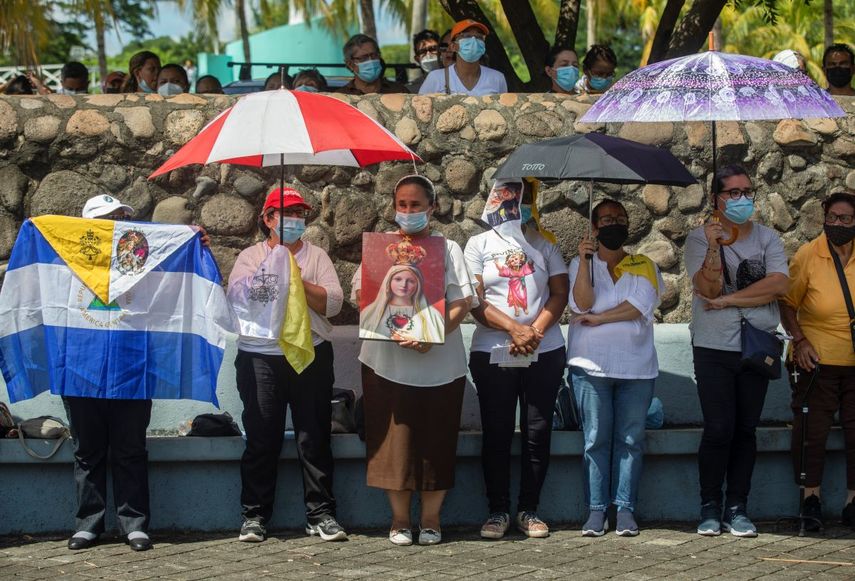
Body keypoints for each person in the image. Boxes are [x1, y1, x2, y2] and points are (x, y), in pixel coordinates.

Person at [352, 175, 477, 546]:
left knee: (437, 440)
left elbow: (462, 301)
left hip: (440, 365)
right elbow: (362, 293)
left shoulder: (448, 248)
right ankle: (400, 519)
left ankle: (432, 519)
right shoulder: (380, 248)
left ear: (431, 208)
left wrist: (431, 335)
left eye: (416, 205)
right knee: (393, 443)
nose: (408, 211)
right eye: (402, 205)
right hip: (385, 364)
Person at [227, 187, 347, 544]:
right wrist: (274, 271)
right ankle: (254, 516)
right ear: (268, 219)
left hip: (310, 354)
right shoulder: (250, 256)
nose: (295, 219)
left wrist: (296, 277)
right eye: (286, 212)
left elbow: (333, 304)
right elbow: (239, 300)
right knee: (262, 437)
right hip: (260, 358)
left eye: (299, 213)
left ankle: (321, 514)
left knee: (314, 436)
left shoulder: (317, 256)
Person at [686, 164, 789, 538]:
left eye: (747, 191)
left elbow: (777, 285)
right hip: (713, 346)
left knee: (746, 429)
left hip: (757, 345)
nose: (742, 198)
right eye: (733, 193)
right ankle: (710, 505)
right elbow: (707, 289)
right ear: (717, 199)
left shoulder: (767, 238)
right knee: (719, 428)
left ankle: (737, 507)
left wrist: (731, 301)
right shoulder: (699, 240)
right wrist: (714, 246)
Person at [465, 179, 569, 540]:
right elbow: (475, 300)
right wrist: (513, 329)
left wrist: (534, 331)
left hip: (545, 350)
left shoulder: (545, 244)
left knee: (537, 432)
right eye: (512, 197)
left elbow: (559, 292)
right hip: (492, 351)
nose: (520, 205)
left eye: (527, 199)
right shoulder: (478, 244)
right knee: (496, 431)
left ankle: (529, 509)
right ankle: (497, 510)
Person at [568, 199, 663, 537]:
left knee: (630, 440)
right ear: (594, 228)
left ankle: (625, 508)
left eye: (620, 218)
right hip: (589, 366)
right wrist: (584, 262)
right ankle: (596, 510)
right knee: (595, 440)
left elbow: (638, 306)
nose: (615, 224)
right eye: (607, 219)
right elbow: (581, 303)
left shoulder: (644, 265)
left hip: (636, 369)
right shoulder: (579, 264)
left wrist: (599, 318)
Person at [65, 194, 152, 553]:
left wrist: (196, 243)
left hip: (131, 368)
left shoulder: (143, 260)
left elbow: (176, 273)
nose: (116, 226)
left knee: (130, 449)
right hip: (81, 368)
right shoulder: (64, 259)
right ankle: (89, 524)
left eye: (120, 218)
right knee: (88, 451)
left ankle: (134, 524)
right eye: (107, 220)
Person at [779, 191, 855, 531]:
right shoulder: (809, 254)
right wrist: (800, 341)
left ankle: (853, 503)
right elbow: (786, 304)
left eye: (845, 219)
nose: (837, 224)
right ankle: (810, 500)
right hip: (816, 361)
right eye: (832, 217)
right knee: (812, 430)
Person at [359, 262, 444, 343]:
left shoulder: (432, 315)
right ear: (389, 281)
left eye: (411, 281)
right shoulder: (370, 312)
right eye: (398, 279)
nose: (404, 285)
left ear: (418, 284)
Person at [419, 19, 507, 96]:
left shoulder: (497, 78)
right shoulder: (436, 78)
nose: (474, 41)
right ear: (453, 46)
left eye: (479, 37)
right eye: (467, 36)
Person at [338, 34, 408, 95]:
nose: (371, 61)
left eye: (374, 55)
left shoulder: (399, 91)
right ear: (350, 64)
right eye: (363, 58)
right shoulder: (341, 97)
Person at [406, 29, 441, 93]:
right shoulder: (411, 89)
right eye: (422, 51)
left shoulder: (454, 79)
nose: (428, 54)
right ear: (417, 59)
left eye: (433, 49)